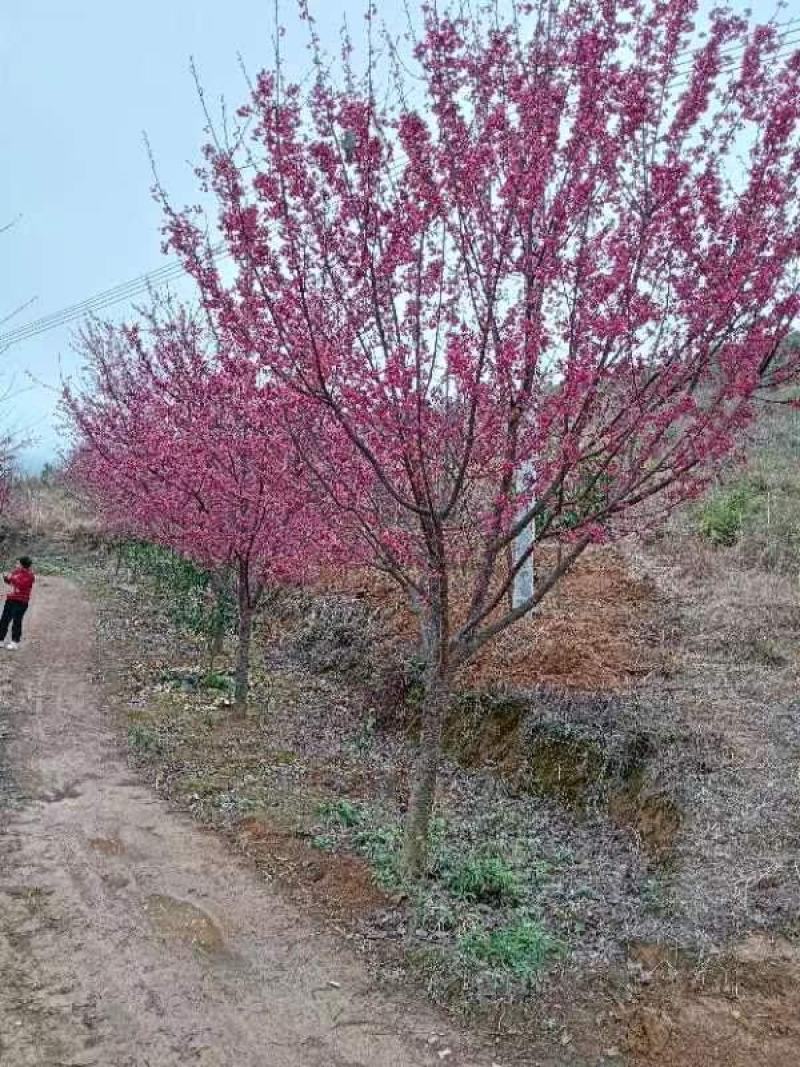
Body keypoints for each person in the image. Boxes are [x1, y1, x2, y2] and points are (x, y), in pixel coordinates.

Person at [1, 556, 35, 650]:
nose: (16, 565)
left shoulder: (30, 575)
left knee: (17, 621)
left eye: (18, 563)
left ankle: (15, 642)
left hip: (21, 601)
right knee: (4, 620)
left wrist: (12, 578)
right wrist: (6, 579)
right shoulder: (16, 572)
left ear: (23, 565)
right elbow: (11, 582)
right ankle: (1, 640)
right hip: (11, 599)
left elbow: (22, 585)